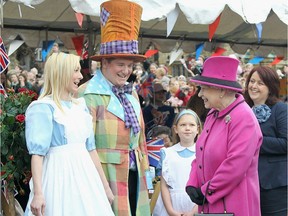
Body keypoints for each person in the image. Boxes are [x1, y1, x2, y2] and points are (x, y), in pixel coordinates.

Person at [77, 1, 150, 215]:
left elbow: (142, 139)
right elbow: (83, 147)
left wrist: (145, 171)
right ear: (105, 63)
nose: (126, 70)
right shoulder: (87, 94)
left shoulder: (132, 93)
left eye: (130, 65)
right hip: (105, 179)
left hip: (135, 176)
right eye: (120, 64)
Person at [24, 52, 114, 216]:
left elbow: (91, 149)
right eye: (75, 70)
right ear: (61, 72)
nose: (80, 76)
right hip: (57, 178)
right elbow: (37, 154)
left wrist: (105, 187)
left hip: (86, 179)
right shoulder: (43, 108)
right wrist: (38, 193)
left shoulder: (81, 106)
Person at [186, 56, 263, 215]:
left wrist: (206, 191)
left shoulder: (244, 118)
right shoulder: (213, 113)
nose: (200, 94)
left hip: (234, 205)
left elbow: (235, 166)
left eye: (204, 88)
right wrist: (193, 183)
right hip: (209, 205)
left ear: (221, 90)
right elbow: (201, 153)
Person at [244, 66, 287, 216]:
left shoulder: (280, 109)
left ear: (271, 86)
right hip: (245, 183)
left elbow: (285, 143)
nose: (254, 86)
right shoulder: (243, 109)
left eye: (260, 83)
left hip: (274, 186)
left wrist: (253, 140)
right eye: (252, 81)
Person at [153, 109, 202, 216]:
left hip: (195, 205)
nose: (187, 128)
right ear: (175, 129)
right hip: (170, 206)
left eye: (192, 125)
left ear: (198, 129)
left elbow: (205, 185)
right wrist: (171, 211)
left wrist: (193, 212)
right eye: (183, 125)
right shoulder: (167, 153)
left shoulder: (203, 154)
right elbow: (164, 185)